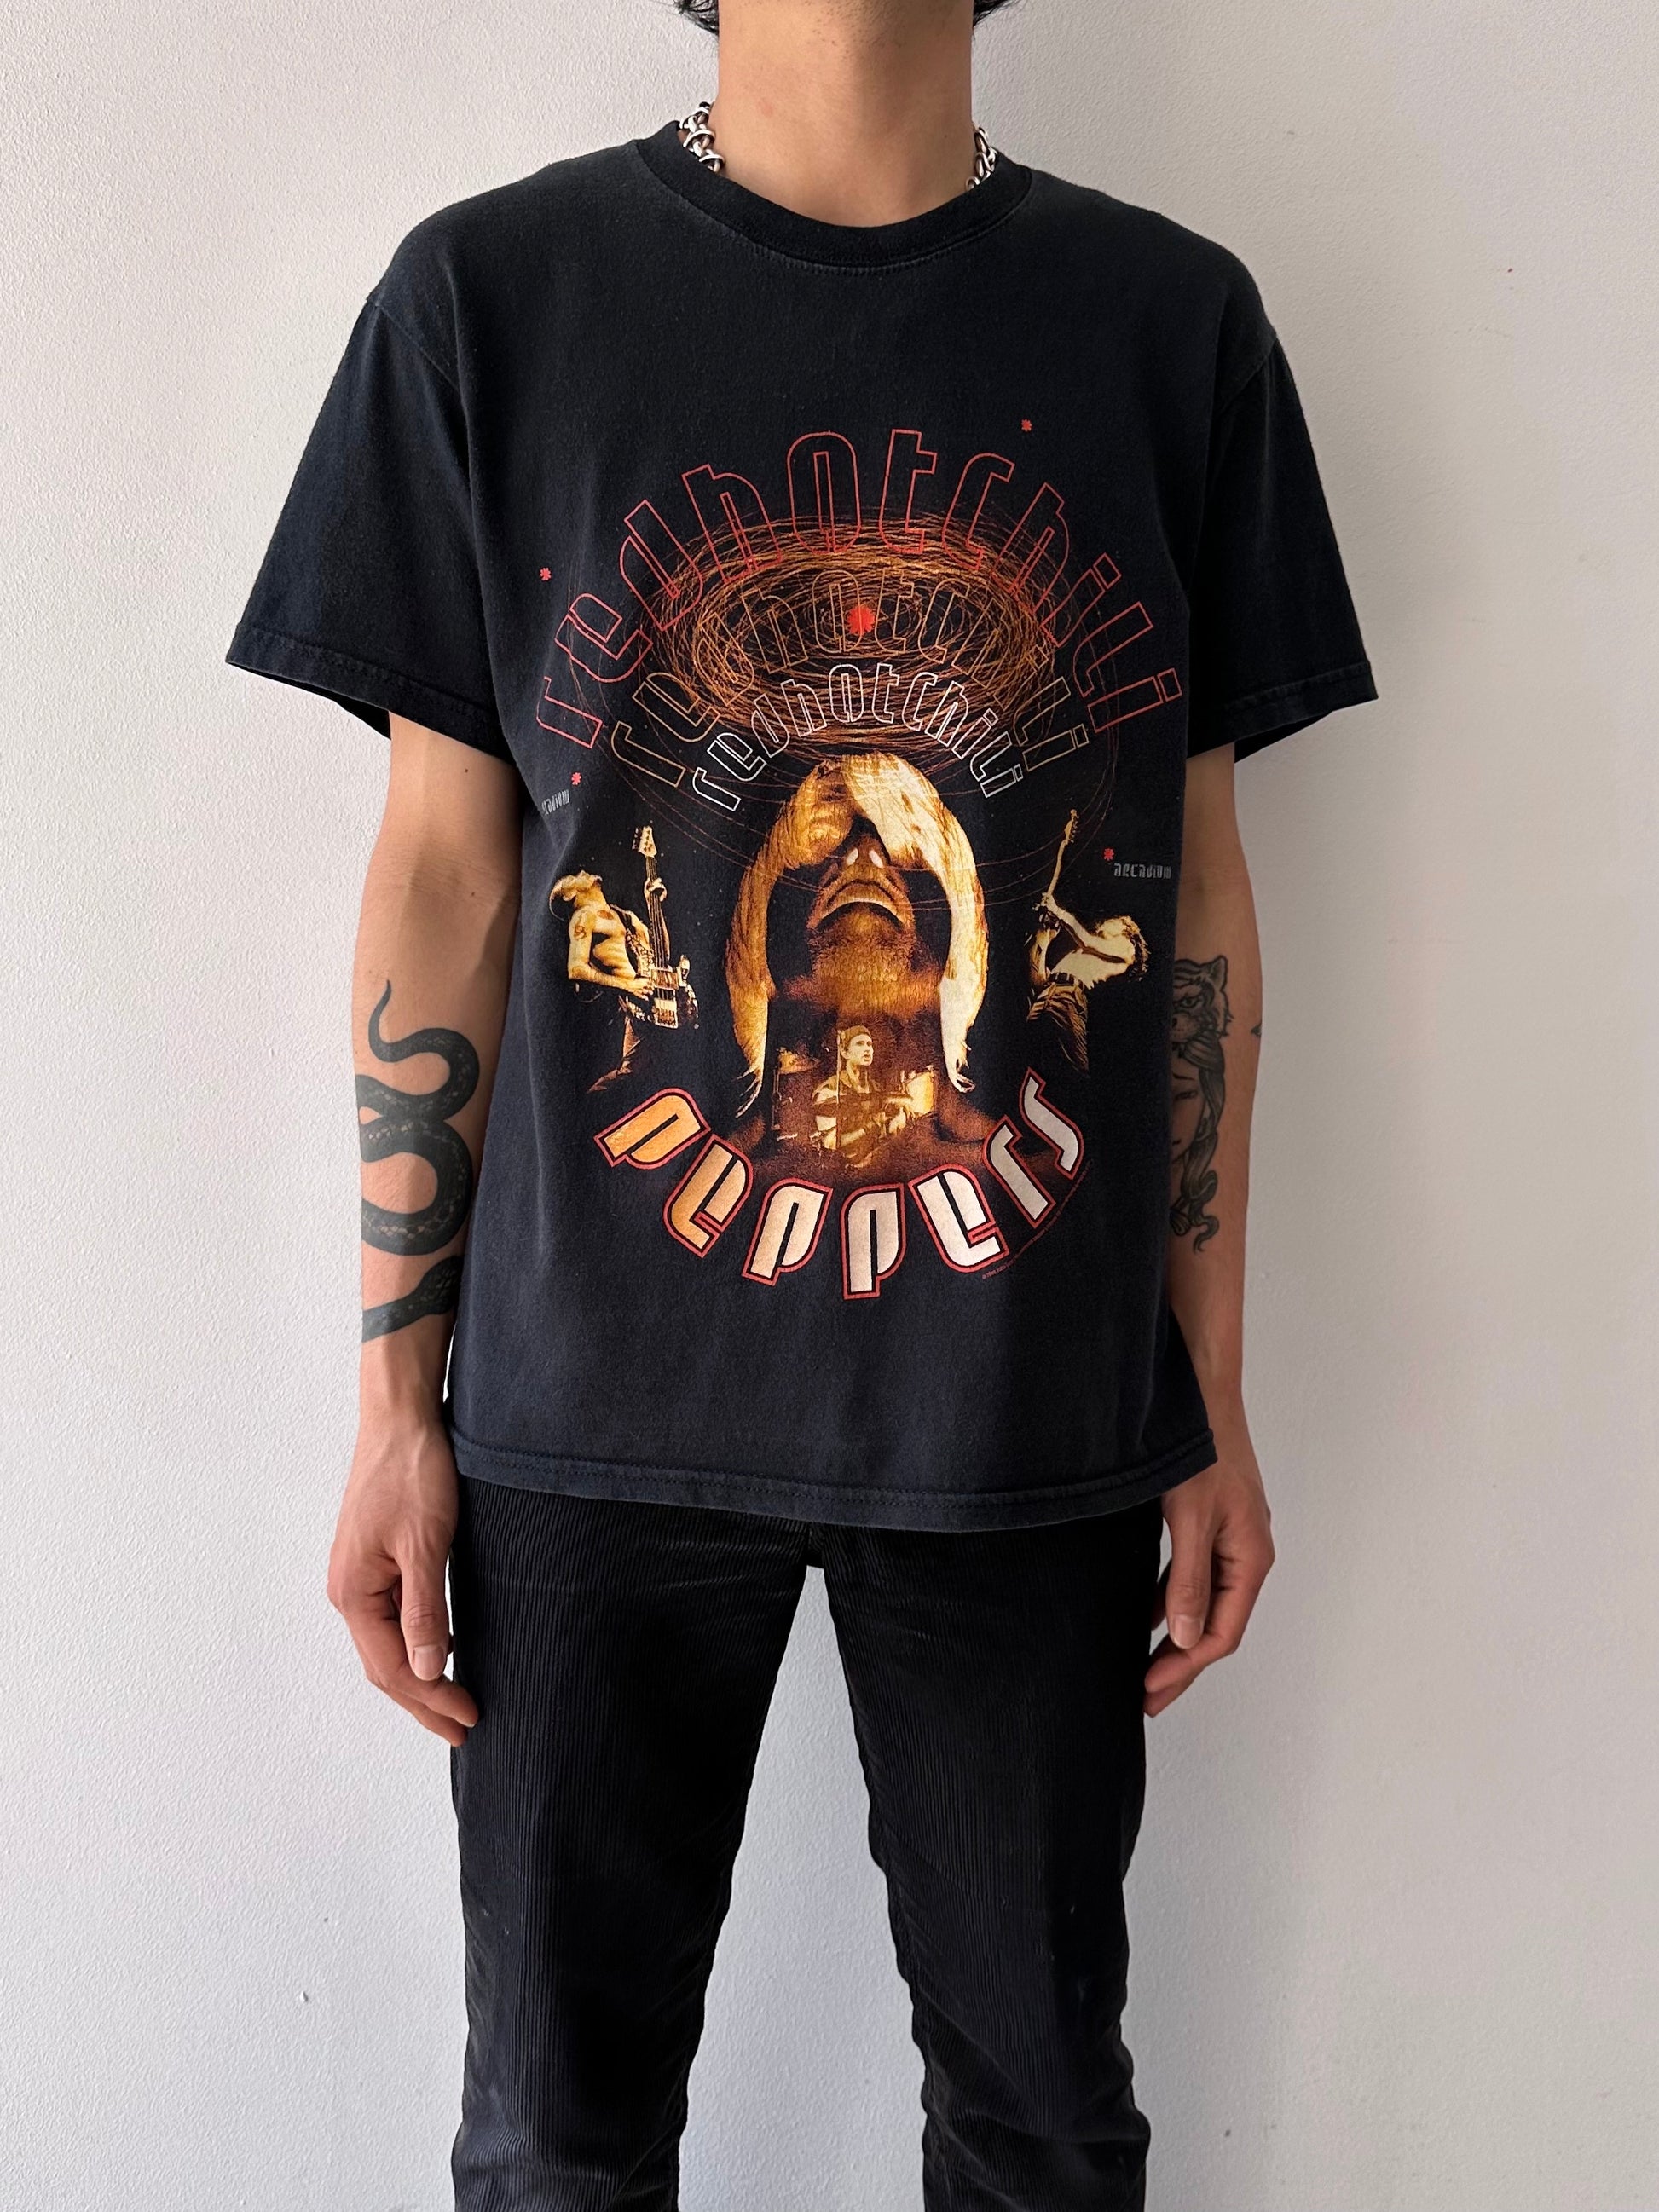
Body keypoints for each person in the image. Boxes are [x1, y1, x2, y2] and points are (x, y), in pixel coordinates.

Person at [223, 0, 1377, 2202]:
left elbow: (1196, 898)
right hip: (582, 1412)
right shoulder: (490, 302)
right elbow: (447, 875)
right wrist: (390, 1403)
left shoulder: (1172, 330)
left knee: (1041, 2131)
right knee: (556, 2143)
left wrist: (1207, 1383)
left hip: (1023, 1407)